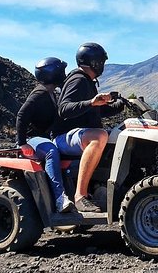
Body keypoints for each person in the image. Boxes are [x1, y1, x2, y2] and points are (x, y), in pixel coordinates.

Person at [52, 42, 124, 212]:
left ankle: (103, 186)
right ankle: (80, 196)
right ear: (94, 62)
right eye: (102, 62)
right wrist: (91, 102)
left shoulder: (88, 82)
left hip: (77, 135)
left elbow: (95, 111)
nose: (103, 66)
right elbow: (64, 109)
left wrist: (120, 105)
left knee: (119, 133)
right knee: (99, 136)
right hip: (63, 137)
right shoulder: (78, 80)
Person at [16, 57, 74, 213]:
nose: (64, 73)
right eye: (61, 71)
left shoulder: (53, 92)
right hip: (33, 139)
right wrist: (22, 142)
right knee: (50, 151)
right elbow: (22, 115)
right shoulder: (39, 94)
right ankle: (60, 198)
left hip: (45, 137)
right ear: (52, 74)